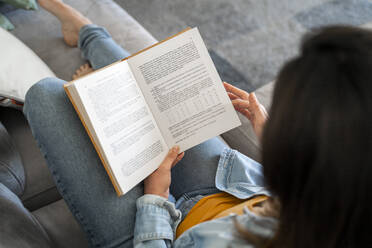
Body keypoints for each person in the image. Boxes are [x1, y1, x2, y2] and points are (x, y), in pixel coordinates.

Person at [24, 1, 371, 247]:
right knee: (151, 83)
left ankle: (89, 42)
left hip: (156, 233)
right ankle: (87, 31)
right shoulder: (347, 196)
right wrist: (273, 147)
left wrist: (156, 197)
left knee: (47, 94)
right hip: (232, 188)